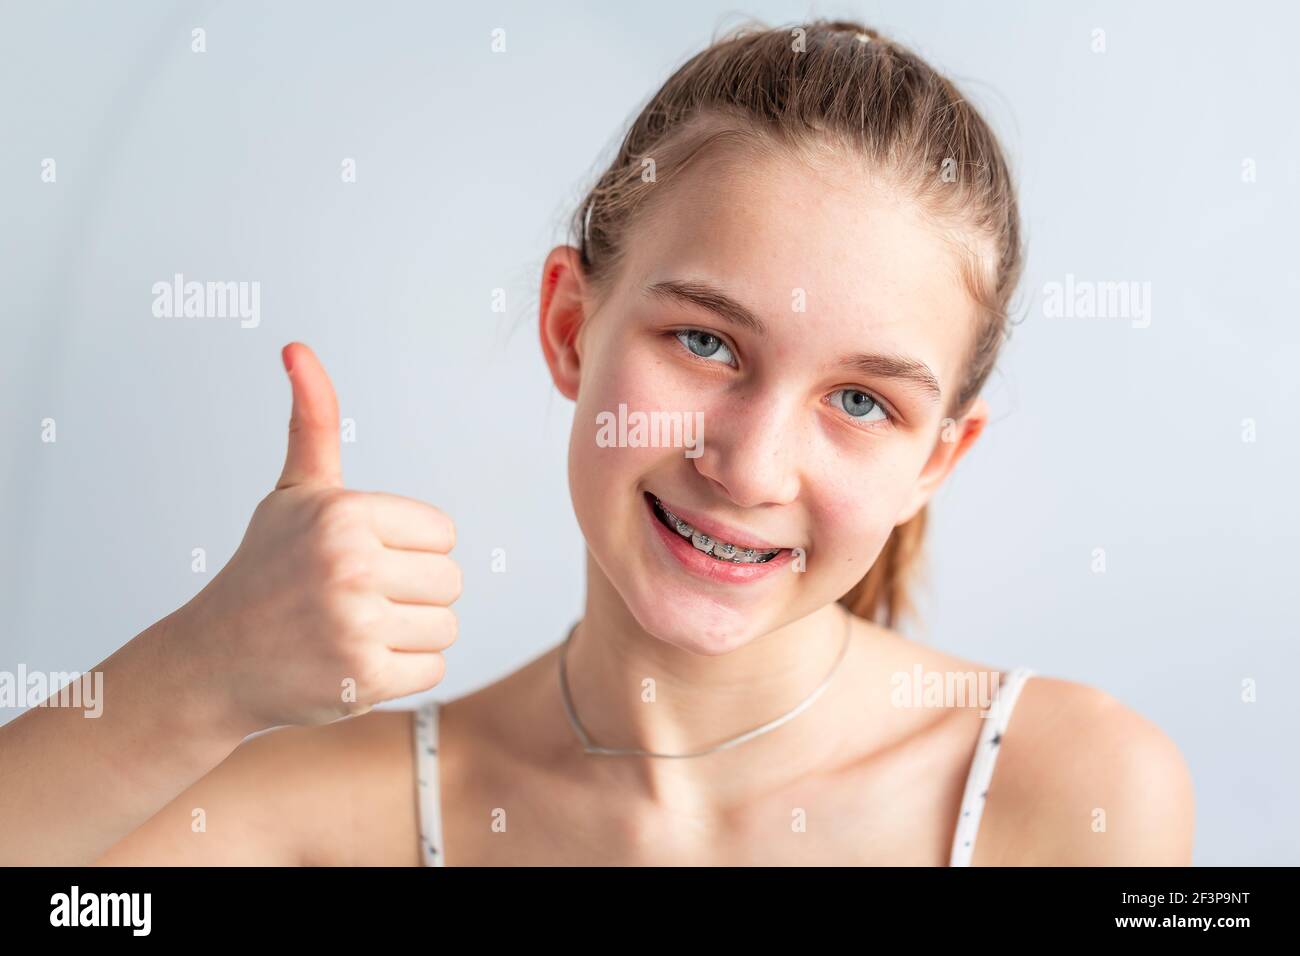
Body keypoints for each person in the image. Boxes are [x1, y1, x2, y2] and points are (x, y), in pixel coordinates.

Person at [0, 18, 1193, 866]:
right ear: (571, 325)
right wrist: (201, 672)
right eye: (707, 343)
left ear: (936, 457)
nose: (754, 465)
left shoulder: (1070, 789)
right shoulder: (337, 809)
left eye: (863, 401)